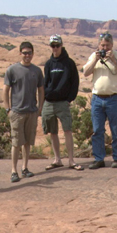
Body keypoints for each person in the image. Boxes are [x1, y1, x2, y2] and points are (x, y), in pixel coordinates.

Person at [82, 32, 117, 169]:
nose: (105, 48)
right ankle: (98, 159)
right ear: (98, 45)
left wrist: (114, 60)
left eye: (108, 45)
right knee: (97, 130)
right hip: (97, 98)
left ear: (112, 45)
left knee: (116, 130)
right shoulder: (93, 56)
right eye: (102, 45)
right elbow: (85, 72)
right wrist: (95, 60)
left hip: (114, 99)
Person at [5, 41, 45, 183]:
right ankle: (14, 171)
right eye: (25, 52)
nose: (27, 55)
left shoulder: (37, 71)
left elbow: (41, 90)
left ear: (32, 54)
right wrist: (8, 108)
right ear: (20, 53)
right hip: (17, 111)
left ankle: (25, 168)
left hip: (31, 111)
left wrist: (40, 107)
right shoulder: (12, 70)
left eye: (29, 53)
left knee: (27, 142)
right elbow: (6, 89)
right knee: (16, 142)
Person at [42, 35, 81, 171]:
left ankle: (71, 160)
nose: (55, 48)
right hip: (49, 102)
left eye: (57, 46)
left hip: (63, 102)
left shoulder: (69, 63)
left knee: (67, 130)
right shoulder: (48, 64)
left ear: (61, 46)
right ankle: (57, 159)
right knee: (52, 132)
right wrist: (45, 97)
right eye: (53, 46)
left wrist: (69, 99)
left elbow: (75, 82)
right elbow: (44, 83)